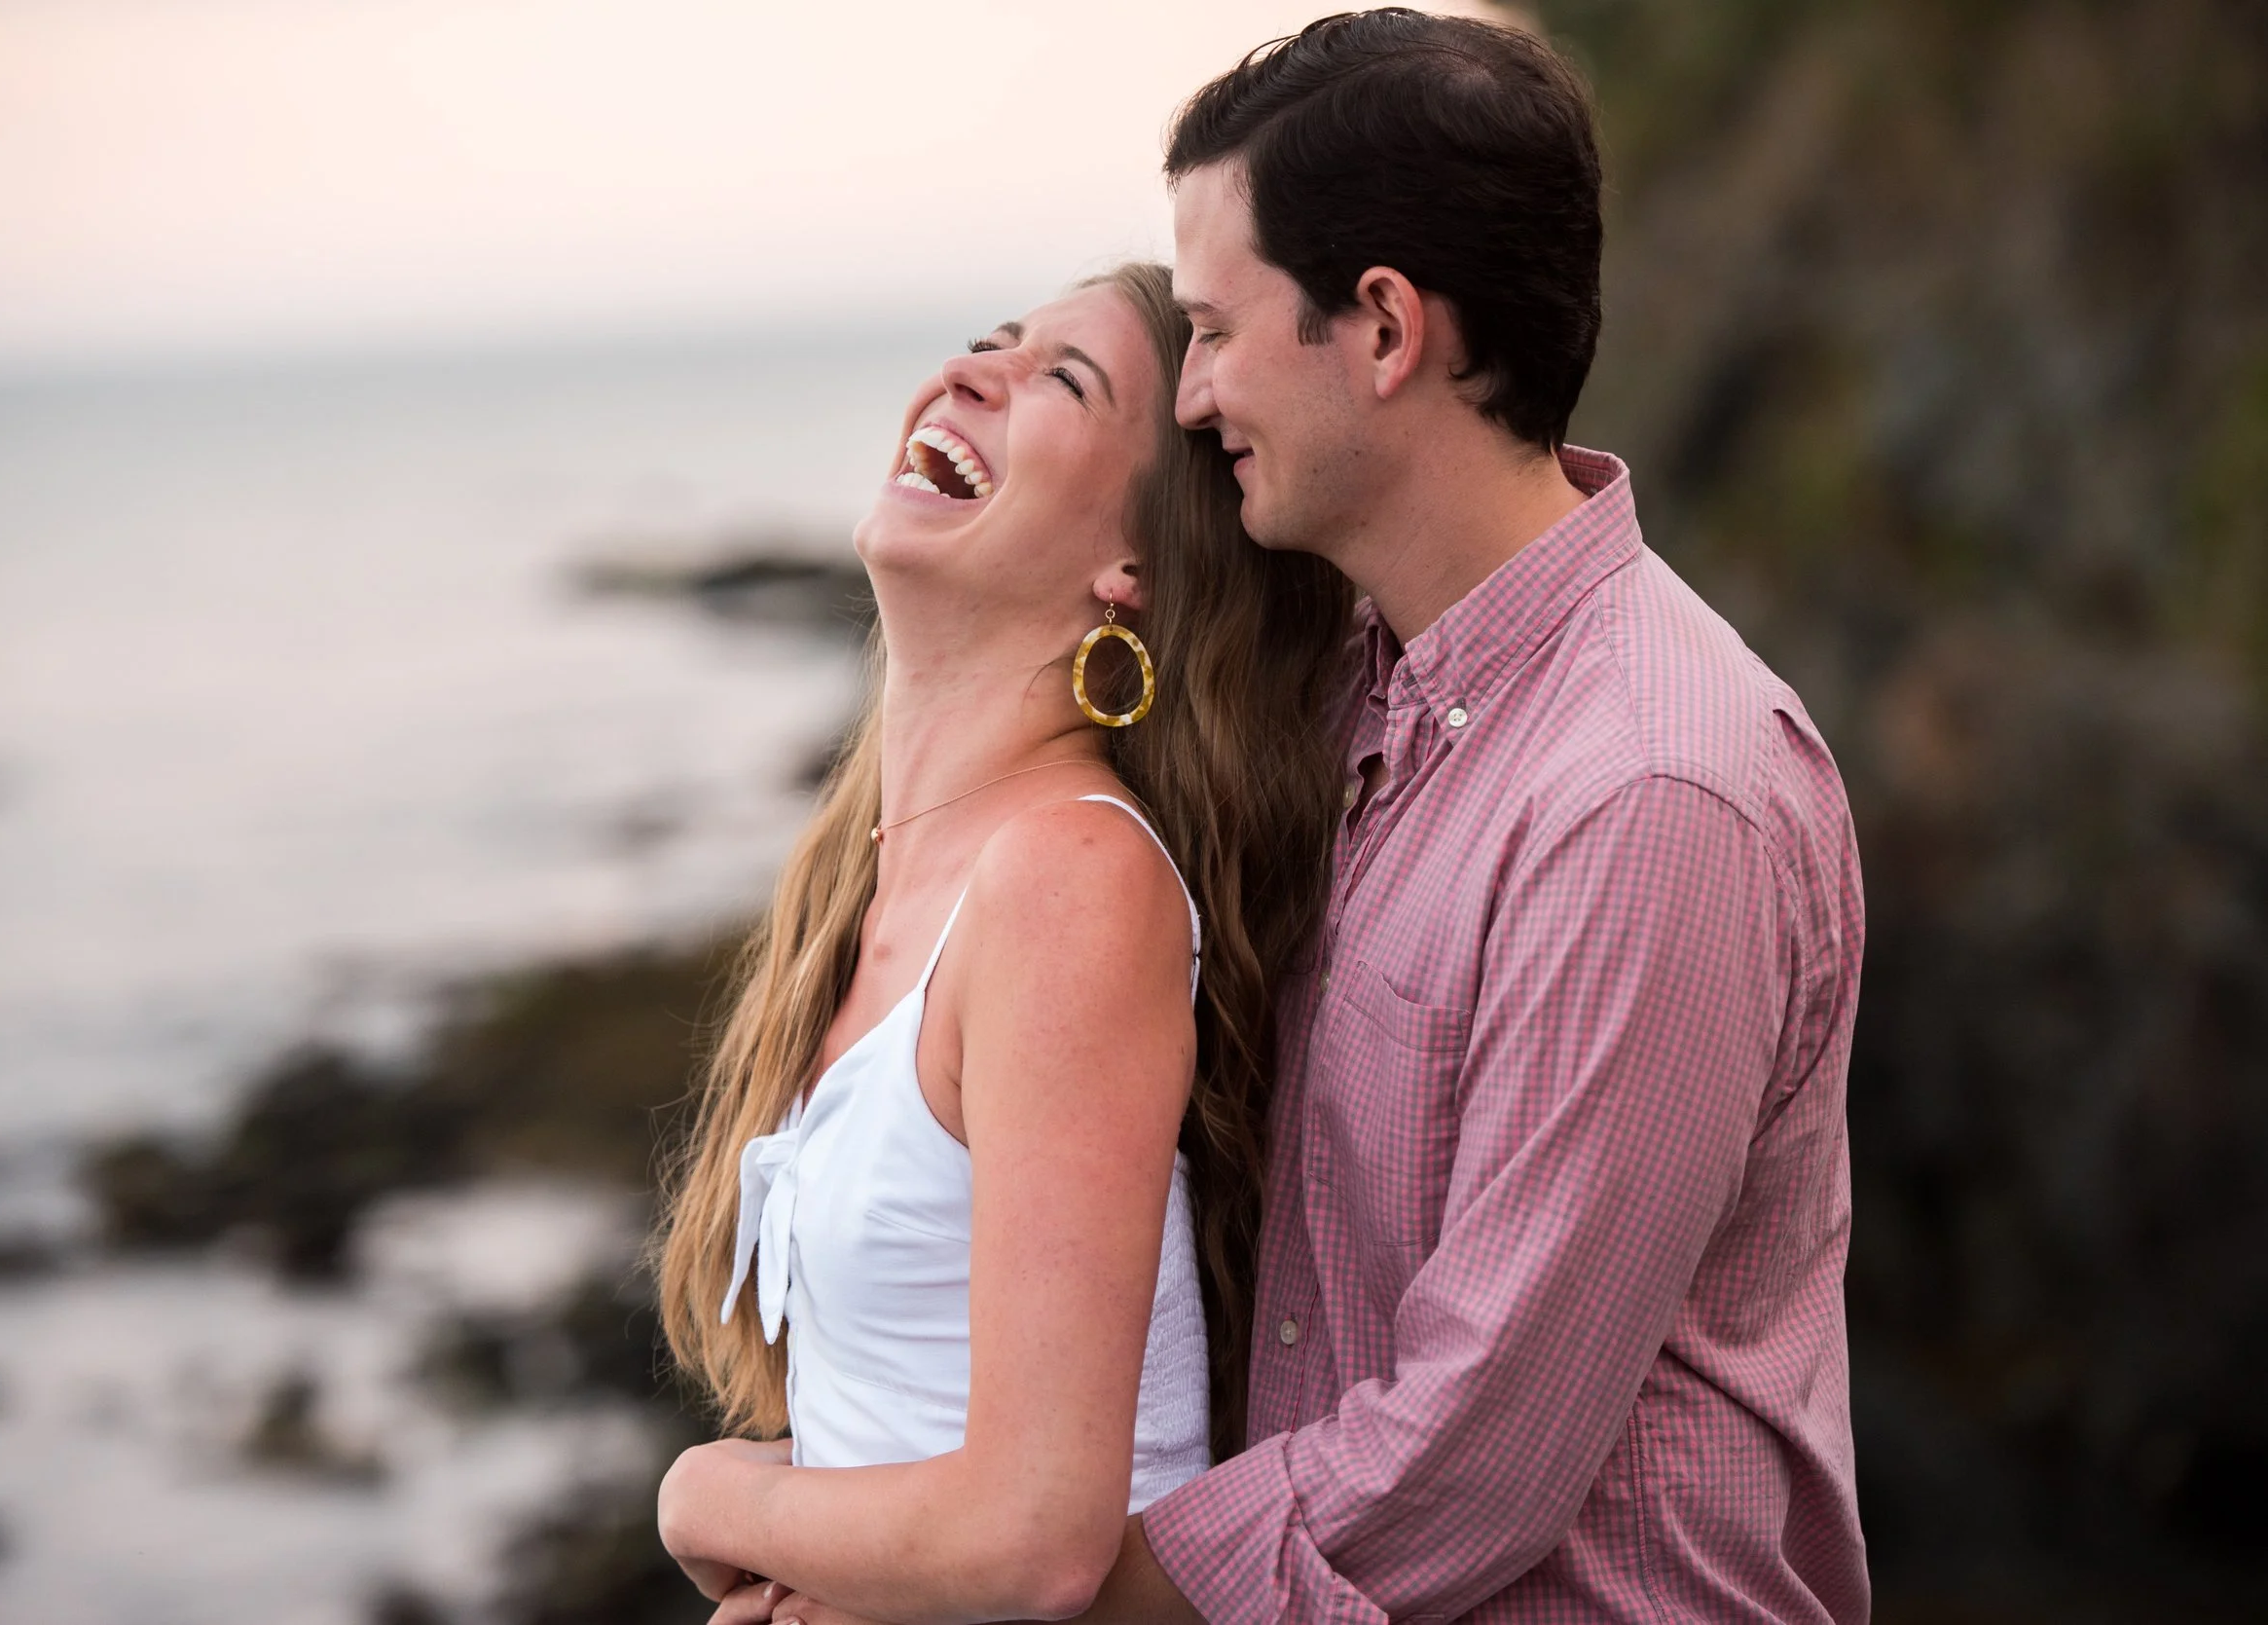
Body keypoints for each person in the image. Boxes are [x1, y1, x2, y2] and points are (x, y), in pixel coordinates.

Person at [763, 10, 1871, 1624]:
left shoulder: (1652, 791)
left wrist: (979, 1578)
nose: (1197, 401)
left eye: (1213, 331)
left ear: (1382, 330)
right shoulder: (1359, 692)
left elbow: (1475, 1452)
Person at [650, 263, 1353, 1623]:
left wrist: (711, 1497)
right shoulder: (879, 881)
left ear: (1134, 566)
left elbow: (1034, 1536)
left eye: (1061, 379)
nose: (974, 373)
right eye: (991, 344)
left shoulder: (1072, 879)